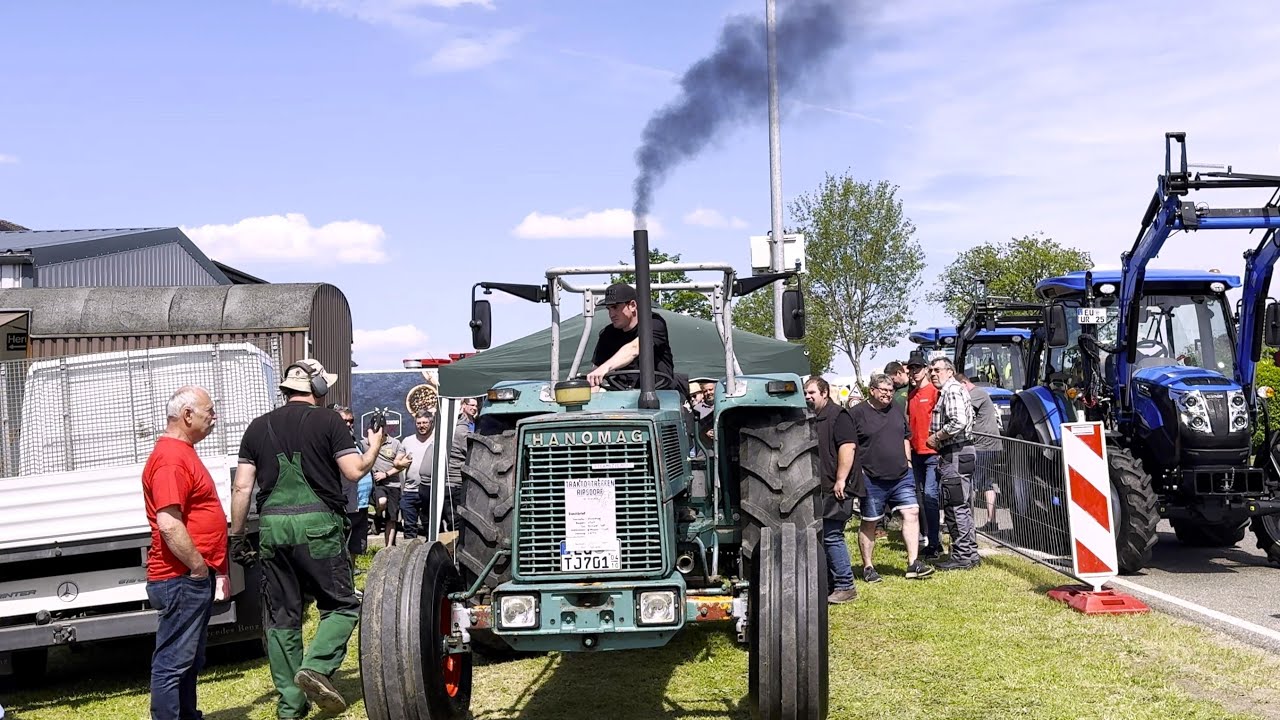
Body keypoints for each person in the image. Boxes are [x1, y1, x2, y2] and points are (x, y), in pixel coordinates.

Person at [228, 359, 386, 718]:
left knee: (282, 618)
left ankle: (290, 709)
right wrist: (374, 445)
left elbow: (242, 487)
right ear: (317, 389)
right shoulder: (330, 421)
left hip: (272, 530)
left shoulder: (256, 428)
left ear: (285, 390)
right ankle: (315, 667)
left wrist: (237, 535)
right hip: (318, 527)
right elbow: (354, 470)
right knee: (343, 604)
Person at [142, 385, 226, 720]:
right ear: (187, 414)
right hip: (179, 577)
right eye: (209, 411)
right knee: (173, 660)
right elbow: (169, 523)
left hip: (188, 576)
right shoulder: (170, 459)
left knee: (187, 658)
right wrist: (197, 567)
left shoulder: (182, 453)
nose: (214, 417)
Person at [849, 374, 934, 583]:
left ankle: (913, 563)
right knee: (870, 522)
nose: (888, 394)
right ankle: (868, 566)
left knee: (912, 511)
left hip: (901, 475)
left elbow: (906, 436)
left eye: (890, 390)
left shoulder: (896, 408)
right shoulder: (856, 414)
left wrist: (909, 463)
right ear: (872, 391)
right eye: (883, 390)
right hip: (871, 477)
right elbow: (848, 445)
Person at [803, 377, 861, 604]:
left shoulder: (838, 415)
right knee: (824, 535)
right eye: (806, 393)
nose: (808, 397)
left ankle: (845, 585)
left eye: (812, 393)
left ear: (825, 393)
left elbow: (848, 447)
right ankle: (829, 583)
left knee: (832, 534)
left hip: (838, 487)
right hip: (823, 486)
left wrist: (841, 480)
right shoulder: (813, 417)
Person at [927, 357, 981, 571]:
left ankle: (961, 556)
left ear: (949, 371)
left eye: (937, 369)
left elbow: (957, 421)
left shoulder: (951, 390)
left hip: (955, 453)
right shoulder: (956, 389)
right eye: (931, 370)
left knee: (955, 504)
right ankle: (970, 553)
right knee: (962, 505)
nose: (933, 373)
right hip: (962, 451)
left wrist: (937, 437)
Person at [586, 282, 676, 390]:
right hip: (621, 396)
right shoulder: (607, 334)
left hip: (660, 394)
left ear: (632, 305)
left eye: (615, 307)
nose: (611, 314)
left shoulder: (654, 323)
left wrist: (605, 367)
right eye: (609, 309)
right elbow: (596, 373)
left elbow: (635, 348)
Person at [906, 351, 942, 559]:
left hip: (932, 454)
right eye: (911, 368)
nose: (913, 372)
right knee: (919, 498)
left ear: (926, 369)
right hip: (916, 453)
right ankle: (927, 539)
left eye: (917, 368)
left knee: (930, 496)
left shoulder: (934, 392)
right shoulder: (911, 396)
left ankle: (935, 542)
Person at [960, 374, 1003, 532]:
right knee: (987, 484)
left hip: (984, 446)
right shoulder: (979, 393)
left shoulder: (975, 394)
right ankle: (992, 521)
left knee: (973, 484)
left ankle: (967, 523)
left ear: (964, 383)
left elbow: (963, 413)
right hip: (989, 445)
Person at [330, 405, 374, 556]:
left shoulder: (357, 444)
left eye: (351, 421)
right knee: (342, 550)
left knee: (356, 549)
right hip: (345, 506)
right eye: (344, 421)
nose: (348, 424)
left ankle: (352, 578)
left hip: (361, 505)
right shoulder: (332, 446)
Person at [445, 398, 479, 530]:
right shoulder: (460, 427)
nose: (474, 408)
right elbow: (469, 449)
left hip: (467, 477)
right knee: (456, 519)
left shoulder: (475, 422)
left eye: (476, 405)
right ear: (463, 405)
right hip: (456, 480)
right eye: (471, 405)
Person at [400, 412, 436, 538]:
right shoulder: (407, 441)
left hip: (430, 490)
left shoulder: (438, 439)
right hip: (410, 490)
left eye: (425, 422)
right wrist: (400, 462)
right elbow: (397, 462)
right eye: (419, 423)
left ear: (431, 423)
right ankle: (410, 553)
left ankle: (430, 554)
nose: (422, 426)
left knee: (430, 526)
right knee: (409, 527)